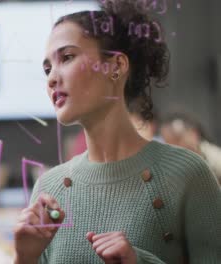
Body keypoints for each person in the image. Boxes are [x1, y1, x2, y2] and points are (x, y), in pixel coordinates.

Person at [13, 1, 221, 263]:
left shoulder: (187, 174)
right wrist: (24, 258)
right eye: (47, 68)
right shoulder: (49, 188)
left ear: (116, 66)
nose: (52, 77)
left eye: (66, 58)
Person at [160, 112, 221, 185]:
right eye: (167, 143)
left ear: (194, 134)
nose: (173, 147)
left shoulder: (215, 157)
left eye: (177, 139)